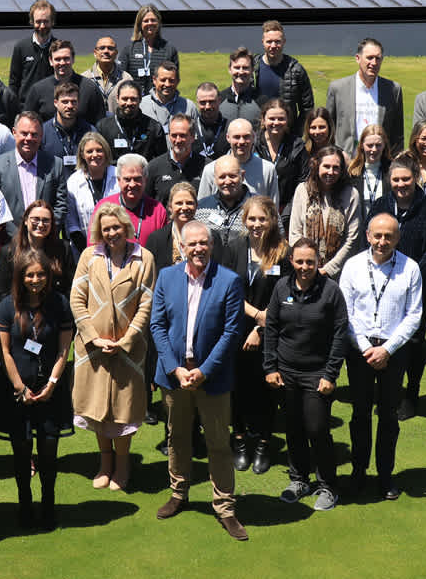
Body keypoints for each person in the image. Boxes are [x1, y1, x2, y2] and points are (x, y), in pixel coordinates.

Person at [149, 220, 248, 541]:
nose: (198, 249)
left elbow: (232, 332)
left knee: (219, 443)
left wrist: (204, 370)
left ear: (212, 245)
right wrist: (174, 368)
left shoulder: (229, 281)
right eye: (191, 244)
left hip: (212, 377)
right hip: (174, 376)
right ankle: (179, 493)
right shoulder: (166, 277)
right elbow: (157, 326)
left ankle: (225, 507)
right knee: (177, 437)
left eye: (203, 243)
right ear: (181, 246)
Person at [70, 203, 157, 491]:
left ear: (126, 227)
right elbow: (76, 299)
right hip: (92, 349)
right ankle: (104, 463)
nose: (111, 233)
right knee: (96, 409)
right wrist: (94, 337)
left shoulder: (143, 258)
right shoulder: (88, 256)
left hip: (128, 350)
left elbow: (146, 304)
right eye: (105, 228)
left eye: (116, 227)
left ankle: (122, 465)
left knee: (122, 411)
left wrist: (126, 340)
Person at [338, 211, 424, 502]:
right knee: (359, 414)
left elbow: (414, 315)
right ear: (368, 236)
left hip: (394, 351)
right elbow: (345, 314)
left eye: (389, 236)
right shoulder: (352, 266)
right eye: (377, 235)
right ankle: (359, 471)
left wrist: (387, 349)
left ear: (397, 238)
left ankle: (386, 474)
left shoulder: (410, 269)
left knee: (388, 416)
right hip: (359, 350)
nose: (382, 241)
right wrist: (365, 347)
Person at [264, 238, 348, 512]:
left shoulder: (331, 291)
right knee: (294, 428)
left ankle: (328, 486)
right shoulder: (281, 287)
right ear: (291, 262)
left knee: (317, 428)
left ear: (318, 262)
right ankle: (298, 479)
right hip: (286, 372)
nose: (304, 267)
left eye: (310, 262)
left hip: (317, 374)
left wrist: (330, 374)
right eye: (299, 261)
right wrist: (271, 367)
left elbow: (339, 334)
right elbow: (272, 328)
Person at [0, 248, 75, 528]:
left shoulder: (60, 304)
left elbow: (65, 348)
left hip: (50, 392)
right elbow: (5, 351)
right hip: (17, 394)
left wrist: (52, 383)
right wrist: (19, 387)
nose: (36, 280)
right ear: (20, 276)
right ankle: (25, 504)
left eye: (41, 274)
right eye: (30, 275)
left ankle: (49, 504)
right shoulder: (7, 306)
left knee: (49, 452)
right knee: (21, 452)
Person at [372, 155, 426, 420]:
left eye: (406, 179)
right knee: (383, 335)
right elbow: (371, 240)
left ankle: (411, 394)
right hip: (382, 286)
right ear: (389, 180)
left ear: (415, 178)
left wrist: (409, 278)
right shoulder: (381, 206)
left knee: (414, 342)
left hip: (418, 288)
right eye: (396, 179)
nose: (401, 184)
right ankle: (386, 392)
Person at [219, 195, 290, 476]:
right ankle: (239, 440)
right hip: (236, 328)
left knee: (266, 389)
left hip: (272, 331)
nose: (257, 224)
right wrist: (254, 315)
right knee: (237, 388)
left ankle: (262, 443)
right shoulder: (234, 247)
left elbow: (285, 294)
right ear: (244, 220)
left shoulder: (283, 252)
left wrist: (262, 327)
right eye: (252, 219)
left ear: (272, 220)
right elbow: (227, 289)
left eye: (263, 219)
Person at [288, 145, 365, 279]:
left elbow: (352, 239)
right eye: (326, 166)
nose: (331, 172)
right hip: (305, 272)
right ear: (317, 166)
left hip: (339, 274)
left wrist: (327, 270)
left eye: (336, 168)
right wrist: (308, 264)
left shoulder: (351, 194)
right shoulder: (303, 190)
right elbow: (295, 233)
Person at [0, 112, 67, 227]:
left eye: (34, 134)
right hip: (9, 241)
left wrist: (44, 232)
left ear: (41, 136)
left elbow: (61, 205)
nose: (29, 138)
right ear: (14, 133)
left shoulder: (55, 165)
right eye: (24, 133)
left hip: (45, 239)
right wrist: (17, 236)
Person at [326, 38, 404, 157]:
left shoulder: (393, 90)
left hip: (380, 162)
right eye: (369, 57)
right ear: (358, 58)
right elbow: (329, 129)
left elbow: (398, 134)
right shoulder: (338, 88)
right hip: (347, 161)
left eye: (378, 58)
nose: (374, 63)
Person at [0, 199, 74, 298]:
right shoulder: (9, 252)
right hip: (20, 308)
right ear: (25, 220)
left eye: (46, 220)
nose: (41, 225)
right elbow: (3, 291)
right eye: (36, 219)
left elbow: (71, 287)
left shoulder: (63, 249)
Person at [22, 39, 106, 127]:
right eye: (57, 59)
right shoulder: (38, 90)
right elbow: (28, 123)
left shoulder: (90, 88)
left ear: (73, 59)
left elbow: (100, 124)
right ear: (51, 61)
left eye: (66, 58)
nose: (62, 63)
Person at [96, 153, 168, 248]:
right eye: (127, 179)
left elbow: (164, 249)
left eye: (137, 179)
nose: (132, 184)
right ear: (119, 180)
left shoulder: (157, 210)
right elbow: (94, 247)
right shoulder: (103, 207)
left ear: (145, 180)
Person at [198, 118, 277, 201]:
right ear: (228, 138)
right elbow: (202, 207)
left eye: (246, 137)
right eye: (237, 137)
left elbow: (273, 209)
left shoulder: (267, 170)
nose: (242, 141)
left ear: (253, 137)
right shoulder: (211, 170)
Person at [64, 131, 119, 250]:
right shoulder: (73, 182)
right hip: (84, 247)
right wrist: (85, 249)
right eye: (89, 151)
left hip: (117, 244)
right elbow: (71, 221)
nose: (95, 155)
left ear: (106, 152)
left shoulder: (118, 176)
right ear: (82, 155)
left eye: (99, 150)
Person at [254, 97, 306, 214]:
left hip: (287, 210)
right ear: (263, 119)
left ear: (287, 120)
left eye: (281, 119)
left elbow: (303, 182)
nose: (276, 123)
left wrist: (288, 211)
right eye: (272, 118)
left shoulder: (297, 146)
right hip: (255, 208)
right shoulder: (253, 143)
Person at [255, 20, 314, 118]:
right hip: (257, 129)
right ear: (262, 42)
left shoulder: (296, 70)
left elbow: (307, 108)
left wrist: (296, 131)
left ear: (284, 42)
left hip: (287, 130)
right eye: (269, 42)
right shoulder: (252, 67)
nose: (273, 46)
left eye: (277, 41)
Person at [118, 3, 179, 96]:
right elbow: (120, 78)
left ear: (158, 23)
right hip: (134, 101)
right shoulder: (129, 50)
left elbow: (174, 79)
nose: (150, 23)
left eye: (153, 20)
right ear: (140, 24)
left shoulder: (169, 50)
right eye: (146, 21)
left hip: (160, 101)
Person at [97, 80, 166, 162]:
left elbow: (162, 161)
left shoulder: (154, 128)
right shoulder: (103, 127)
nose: (129, 103)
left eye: (133, 99)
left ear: (140, 99)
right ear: (117, 98)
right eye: (125, 99)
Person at [147, 113, 206, 206]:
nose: (178, 140)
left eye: (183, 135)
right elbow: (147, 203)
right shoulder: (154, 167)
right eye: (174, 135)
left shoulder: (206, 167)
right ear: (169, 136)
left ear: (192, 136)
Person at [7, 0, 56, 110]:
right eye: (38, 21)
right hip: (26, 108)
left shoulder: (59, 48)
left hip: (52, 107)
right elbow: (14, 83)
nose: (42, 26)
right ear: (32, 22)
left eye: (46, 21)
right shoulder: (21, 47)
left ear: (52, 22)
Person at [39, 80, 97, 167]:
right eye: (65, 102)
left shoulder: (90, 132)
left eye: (73, 101)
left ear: (79, 103)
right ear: (56, 103)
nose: (69, 106)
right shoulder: (42, 132)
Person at [196, 155, 251, 243]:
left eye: (232, 176)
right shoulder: (200, 209)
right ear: (215, 179)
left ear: (242, 176)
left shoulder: (261, 207)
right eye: (222, 177)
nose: (227, 181)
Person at [82, 34, 133, 116]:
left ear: (116, 53)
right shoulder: (84, 79)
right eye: (102, 48)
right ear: (95, 53)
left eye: (110, 48)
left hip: (118, 126)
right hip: (92, 127)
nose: (106, 51)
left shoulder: (126, 79)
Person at [347, 123, 391, 216]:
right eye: (370, 145)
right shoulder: (351, 173)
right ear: (362, 145)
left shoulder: (392, 171)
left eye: (378, 145)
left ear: (384, 145)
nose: (374, 149)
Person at [140, 61, 197, 130]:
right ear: (154, 80)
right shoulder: (141, 105)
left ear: (178, 81)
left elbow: (196, 136)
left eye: (171, 80)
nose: (167, 84)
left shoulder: (189, 107)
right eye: (163, 80)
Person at [219, 47, 263, 124]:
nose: (241, 71)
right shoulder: (220, 99)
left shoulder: (261, 100)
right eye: (237, 67)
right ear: (230, 69)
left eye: (245, 68)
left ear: (252, 70)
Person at [192, 82, 231, 161]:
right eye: (203, 102)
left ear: (219, 100)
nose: (207, 106)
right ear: (197, 102)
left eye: (211, 101)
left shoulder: (230, 127)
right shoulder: (190, 127)